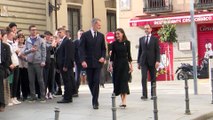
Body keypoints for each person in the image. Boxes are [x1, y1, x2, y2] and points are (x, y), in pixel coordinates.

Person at [79, 18, 106, 109]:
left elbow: (103, 49)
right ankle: (94, 96)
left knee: (96, 80)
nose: (100, 26)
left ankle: (95, 102)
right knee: (90, 81)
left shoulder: (101, 36)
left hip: (98, 63)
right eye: (98, 25)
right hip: (88, 62)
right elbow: (81, 48)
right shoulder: (85, 35)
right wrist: (82, 60)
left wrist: (103, 57)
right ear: (94, 24)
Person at [109, 28, 133, 108]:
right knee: (118, 82)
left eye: (118, 33)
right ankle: (122, 101)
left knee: (124, 82)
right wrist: (110, 65)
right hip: (117, 65)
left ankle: (124, 101)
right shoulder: (114, 44)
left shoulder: (127, 43)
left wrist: (131, 66)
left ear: (122, 34)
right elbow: (112, 57)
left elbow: (129, 55)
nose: (117, 35)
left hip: (124, 65)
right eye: (116, 34)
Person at [22, 25, 46, 102]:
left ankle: (42, 96)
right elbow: (24, 52)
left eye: (35, 30)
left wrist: (43, 61)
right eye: (32, 30)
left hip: (38, 62)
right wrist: (30, 50)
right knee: (31, 80)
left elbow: (43, 51)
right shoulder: (27, 40)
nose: (34, 31)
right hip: (30, 63)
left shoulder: (41, 40)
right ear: (29, 31)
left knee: (40, 80)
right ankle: (33, 96)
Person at [137, 24, 160, 100]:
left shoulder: (155, 39)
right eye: (145, 29)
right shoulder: (141, 39)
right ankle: (144, 94)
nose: (146, 30)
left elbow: (157, 51)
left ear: (151, 29)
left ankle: (153, 94)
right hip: (143, 61)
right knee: (144, 78)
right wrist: (138, 62)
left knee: (153, 78)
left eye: (147, 28)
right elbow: (140, 51)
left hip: (152, 61)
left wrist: (157, 61)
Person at [56, 27, 75, 103]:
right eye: (58, 32)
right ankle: (67, 96)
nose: (59, 34)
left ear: (64, 32)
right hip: (62, 65)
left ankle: (67, 98)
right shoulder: (62, 41)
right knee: (66, 81)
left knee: (67, 81)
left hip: (65, 66)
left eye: (60, 32)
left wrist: (65, 66)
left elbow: (68, 55)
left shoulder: (67, 41)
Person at [0, 29, 12, 112]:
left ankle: (1, 104)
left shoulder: (5, 46)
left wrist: (5, 68)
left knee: (0, 87)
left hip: (1, 67)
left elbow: (8, 59)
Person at [73, 29, 84, 97]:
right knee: (77, 76)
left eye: (82, 34)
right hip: (77, 61)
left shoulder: (86, 41)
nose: (81, 35)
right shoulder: (75, 42)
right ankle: (75, 90)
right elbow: (73, 52)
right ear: (78, 35)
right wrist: (73, 61)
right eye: (80, 34)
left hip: (85, 61)